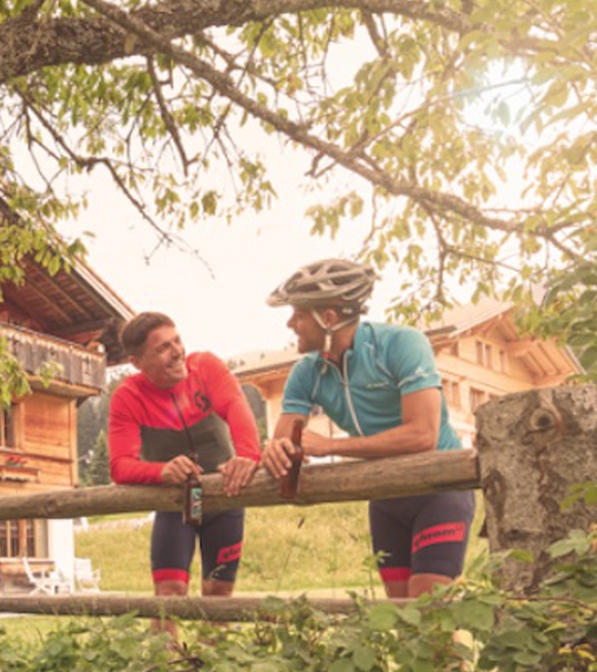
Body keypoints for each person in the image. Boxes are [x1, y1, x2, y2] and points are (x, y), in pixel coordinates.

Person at [258, 259, 474, 600]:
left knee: (430, 611)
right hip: (385, 495)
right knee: (401, 616)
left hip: (439, 488)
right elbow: (287, 439)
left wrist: (330, 446)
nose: (290, 323)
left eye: (298, 314)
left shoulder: (403, 344)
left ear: (327, 318)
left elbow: (422, 435)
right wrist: (273, 450)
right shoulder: (307, 372)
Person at [107, 311, 262, 610]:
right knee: (168, 593)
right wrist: (161, 471)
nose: (177, 351)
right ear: (137, 363)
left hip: (224, 498)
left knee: (218, 593)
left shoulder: (205, 367)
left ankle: (212, 658)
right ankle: (163, 657)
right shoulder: (128, 396)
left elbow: (236, 407)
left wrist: (246, 456)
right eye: (162, 348)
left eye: (176, 341)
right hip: (175, 504)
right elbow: (119, 466)